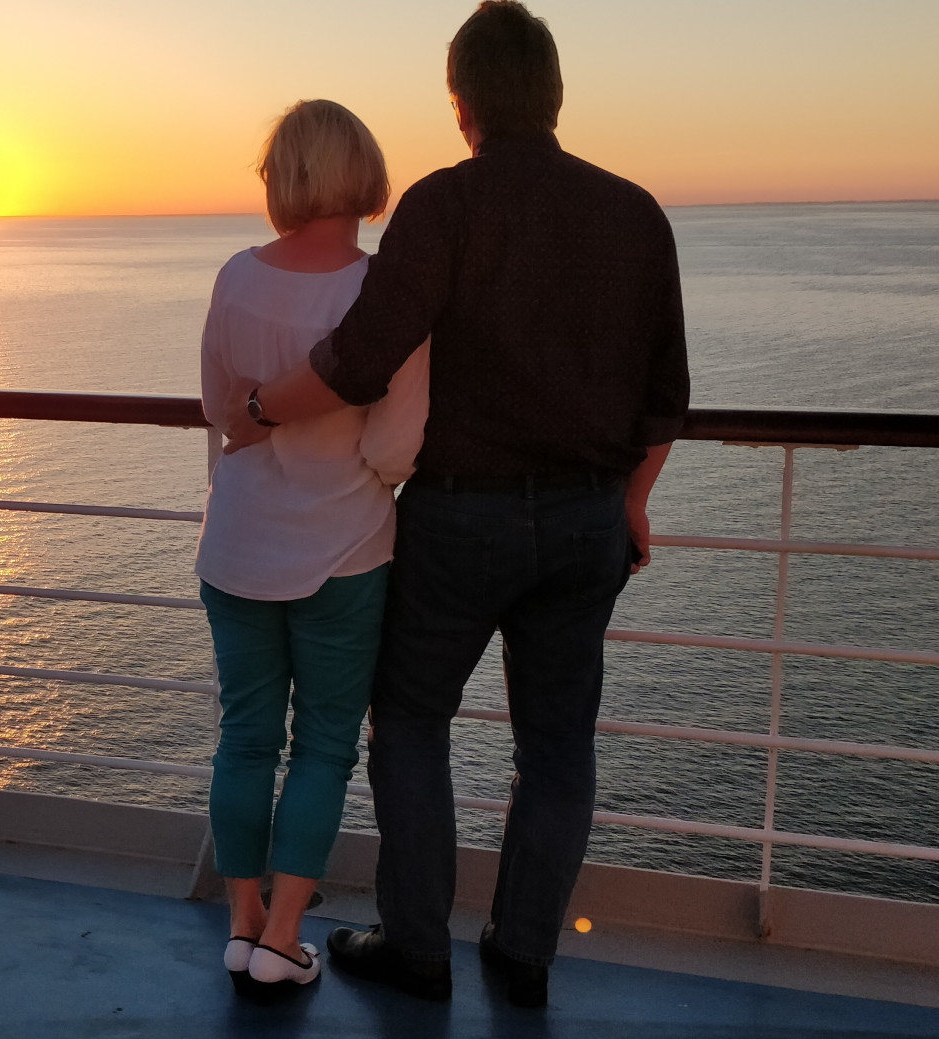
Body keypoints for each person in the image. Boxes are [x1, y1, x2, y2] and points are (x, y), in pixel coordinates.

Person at [218, 1, 689, 1008]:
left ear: (461, 102)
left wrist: (256, 409)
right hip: (586, 522)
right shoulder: (634, 214)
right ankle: (522, 953)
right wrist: (634, 501)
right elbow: (665, 399)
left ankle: (417, 946)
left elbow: (358, 360)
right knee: (556, 748)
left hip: (460, 521)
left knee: (410, 721)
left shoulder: (443, 206)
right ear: (553, 95)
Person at [196, 98, 430, 998]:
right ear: (364, 176)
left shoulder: (235, 277)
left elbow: (221, 410)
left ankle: (242, 922)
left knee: (245, 736)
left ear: (282, 179)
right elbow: (397, 447)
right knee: (324, 746)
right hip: (344, 549)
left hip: (238, 545)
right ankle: (286, 937)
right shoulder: (381, 293)